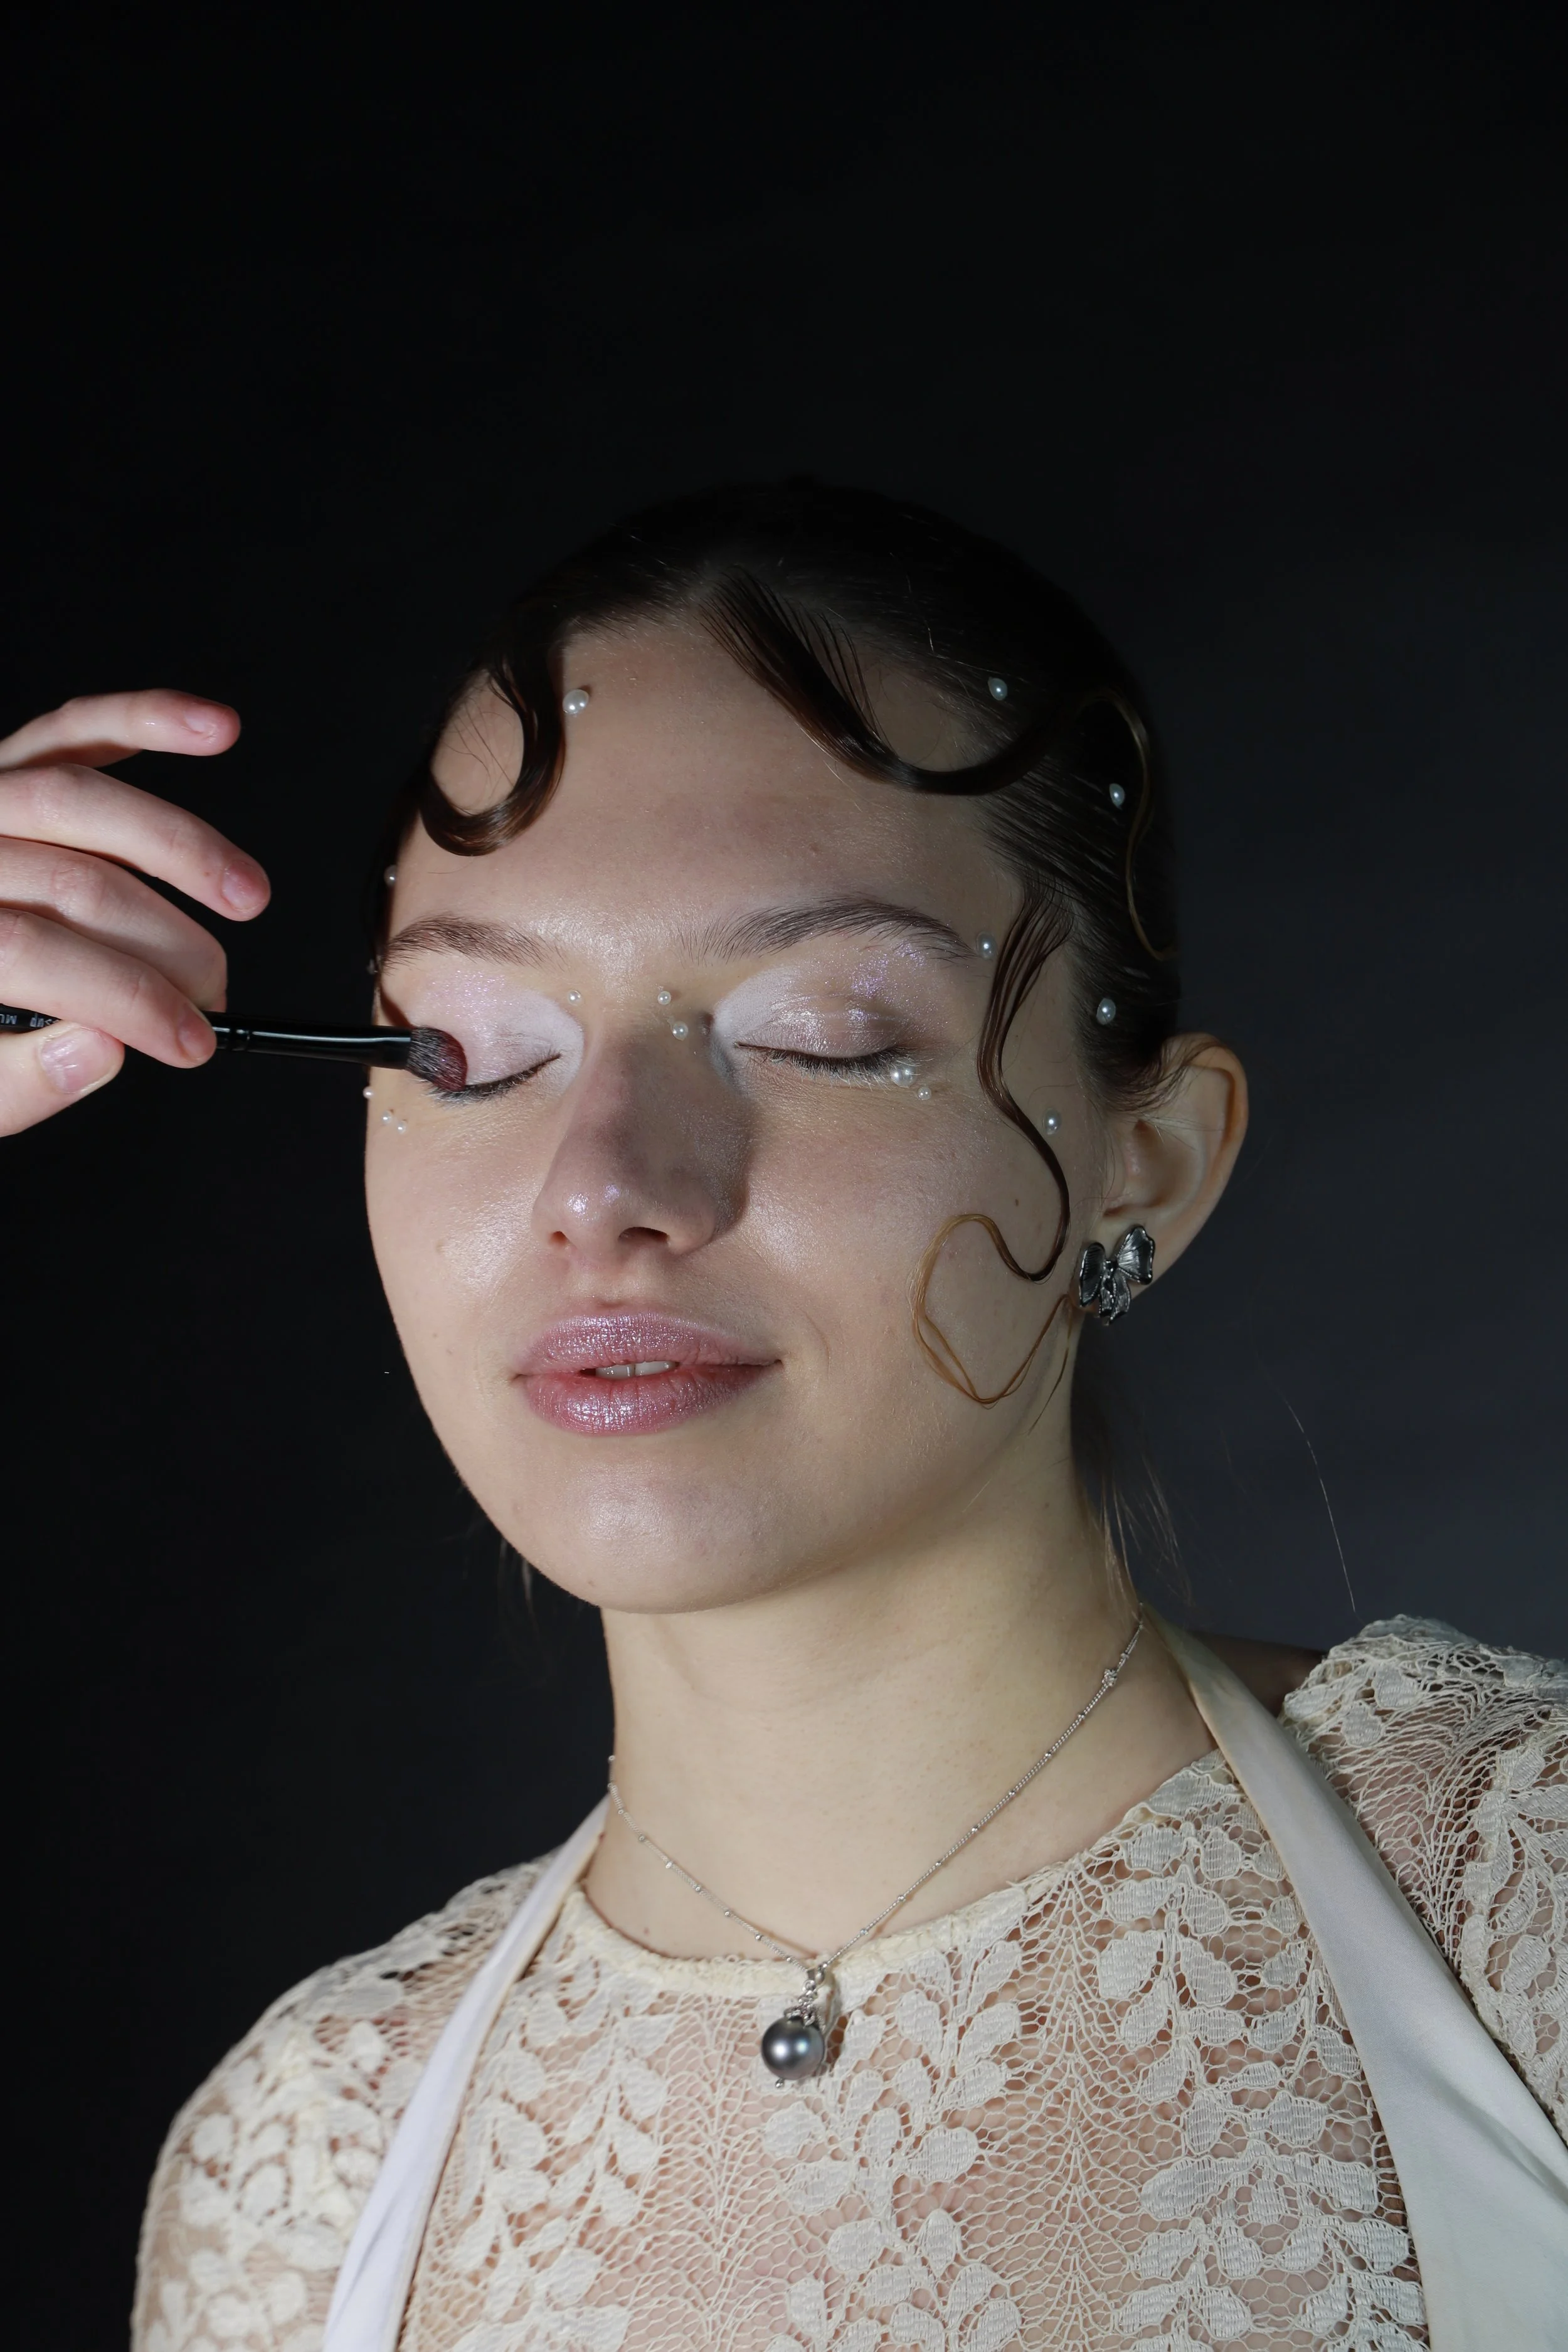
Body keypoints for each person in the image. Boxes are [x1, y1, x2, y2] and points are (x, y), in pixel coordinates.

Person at [3, 485, 1561, 2349]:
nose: (607, 1184)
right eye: (465, 1054)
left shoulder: (1520, 1913)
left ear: (1145, 1162)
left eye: (824, 1030)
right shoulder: (300, 2164)